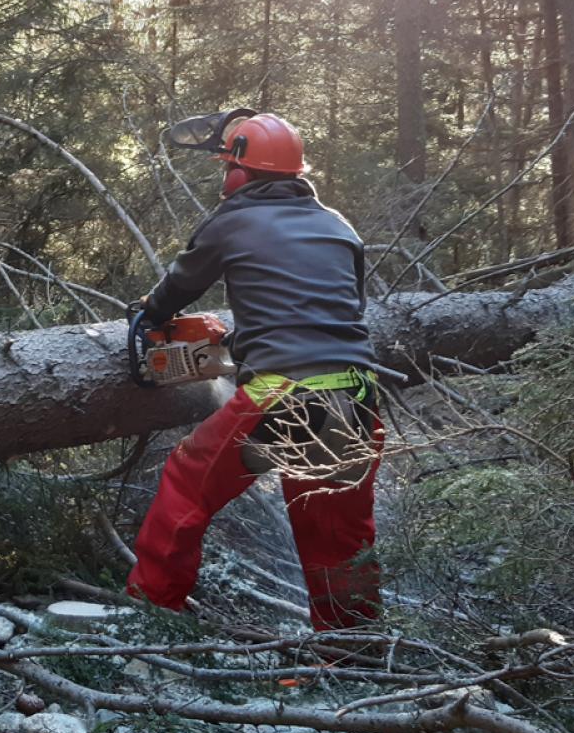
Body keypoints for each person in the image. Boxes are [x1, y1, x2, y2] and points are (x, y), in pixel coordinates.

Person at [127, 111, 384, 632]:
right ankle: (352, 653)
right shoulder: (339, 225)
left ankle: (151, 615)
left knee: (185, 485)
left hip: (281, 396)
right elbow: (329, 310)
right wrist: (238, 340)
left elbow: (181, 283)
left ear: (239, 172)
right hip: (355, 396)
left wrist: (149, 316)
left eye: (227, 167)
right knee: (336, 534)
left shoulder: (233, 219)